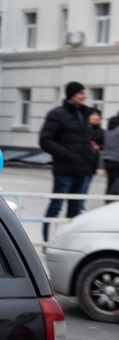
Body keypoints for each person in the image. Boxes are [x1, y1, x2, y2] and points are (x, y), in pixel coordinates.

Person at [39, 81, 99, 240]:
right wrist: (66, 154)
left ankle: (70, 242)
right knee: (56, 206)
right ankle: (47, 242)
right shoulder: (57, 114)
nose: (85, 96)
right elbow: (45, 141)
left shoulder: (84, 114)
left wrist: (90, 154)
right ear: (72, 95)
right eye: (81, 93)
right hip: (64, 170)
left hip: (83, 170)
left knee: (77, 208)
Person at [103, 110, 119, 196]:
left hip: (107, 159)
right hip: (117, 159)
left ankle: (108, 199)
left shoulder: (109, 129)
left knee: (111, 182)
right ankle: (112, 200)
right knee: (116, 184)